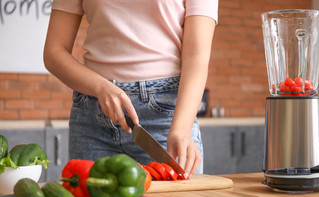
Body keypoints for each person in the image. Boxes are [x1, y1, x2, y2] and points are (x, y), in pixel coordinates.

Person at [43, 0, 218, 179]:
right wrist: (101, 86)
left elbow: (196, 57)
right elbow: (54, 52)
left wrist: (182, 128)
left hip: (168, 120)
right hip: (92, 118)